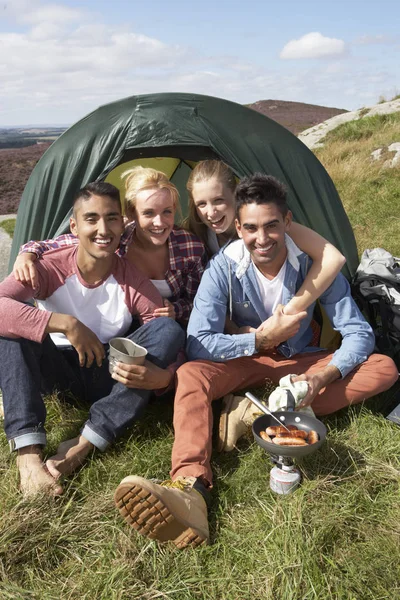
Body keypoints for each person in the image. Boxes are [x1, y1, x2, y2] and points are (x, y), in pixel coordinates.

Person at [114, 173, 398, 549]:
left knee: (385, 368)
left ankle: (250, 416)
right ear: (238, 227)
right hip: (247, 359)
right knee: (190, 374)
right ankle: (190, 487)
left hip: (300, 363)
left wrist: (321, 377)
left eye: (271, 226)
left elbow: (358, 333)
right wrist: (258, 340)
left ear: (288, 222)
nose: (261, 238)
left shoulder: (311, 266)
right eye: (250, 228)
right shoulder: (222, 268)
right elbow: (199, 342)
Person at [0, 182, 185, 496]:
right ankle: (28, 456)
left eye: (112, 218)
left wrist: (164, 377)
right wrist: (66, 324)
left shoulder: (130, 277)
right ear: (75, 226)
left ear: (122, 223)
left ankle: (84, 443)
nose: (103, 229)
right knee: (11, 331)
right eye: (92, 219)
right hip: (57, 371)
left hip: (106, 373)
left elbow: (163, 331)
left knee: (169, 330)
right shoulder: (48, 268)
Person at [13, 167, 208, 325]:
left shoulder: (190, 248)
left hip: (162, 325)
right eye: (148, 213)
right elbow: (57, 243)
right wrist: (27, 254)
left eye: (167, 212)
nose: (159, 222)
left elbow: (201, 302)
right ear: (131, 214)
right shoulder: (115, 238)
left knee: (168, 332)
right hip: (119, 326)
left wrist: (177, 310)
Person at [184, 159, 346, 316]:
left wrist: (290, 310)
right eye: (202, 204)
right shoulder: (198, 235)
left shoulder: (272, 226)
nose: (211, 213)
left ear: (235, 195)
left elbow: (334, 258)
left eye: (218, 200)